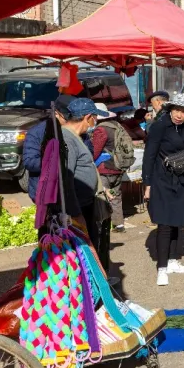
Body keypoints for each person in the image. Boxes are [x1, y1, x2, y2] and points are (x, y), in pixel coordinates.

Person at [142, 93, 184, 286]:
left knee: (177, 222)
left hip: (182, 179)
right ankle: (162, 268)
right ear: (170, 108)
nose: (180, 115)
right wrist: (147, 185)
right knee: (164, 224)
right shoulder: (159, 126)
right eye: (177, 110)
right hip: (161, 180)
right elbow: (149, 156)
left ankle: (173, 261)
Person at [62, 99, 112, 263]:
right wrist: (76, 213)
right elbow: (65, 179)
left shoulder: (77, 137)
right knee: (82, 255)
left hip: (85, 204)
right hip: (78, 208)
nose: (95, 122)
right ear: (88, 117)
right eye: (95, 118)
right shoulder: (67, 140)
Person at [90, 103, 134, 236]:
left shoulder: (101, 130)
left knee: (102, 196)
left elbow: (95, 151)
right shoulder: (116, 125)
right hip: (119, 166)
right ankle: (118, 224)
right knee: (116, 195)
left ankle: (102, 223)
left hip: (105, 167)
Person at [23, 94, 75, 203]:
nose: (72, 122)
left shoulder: (75, 129)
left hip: (72, 191)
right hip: (45, 192)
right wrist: (54, 161)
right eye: (68, 118)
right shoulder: (37, 133)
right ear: (56, 114)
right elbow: (29, 161)